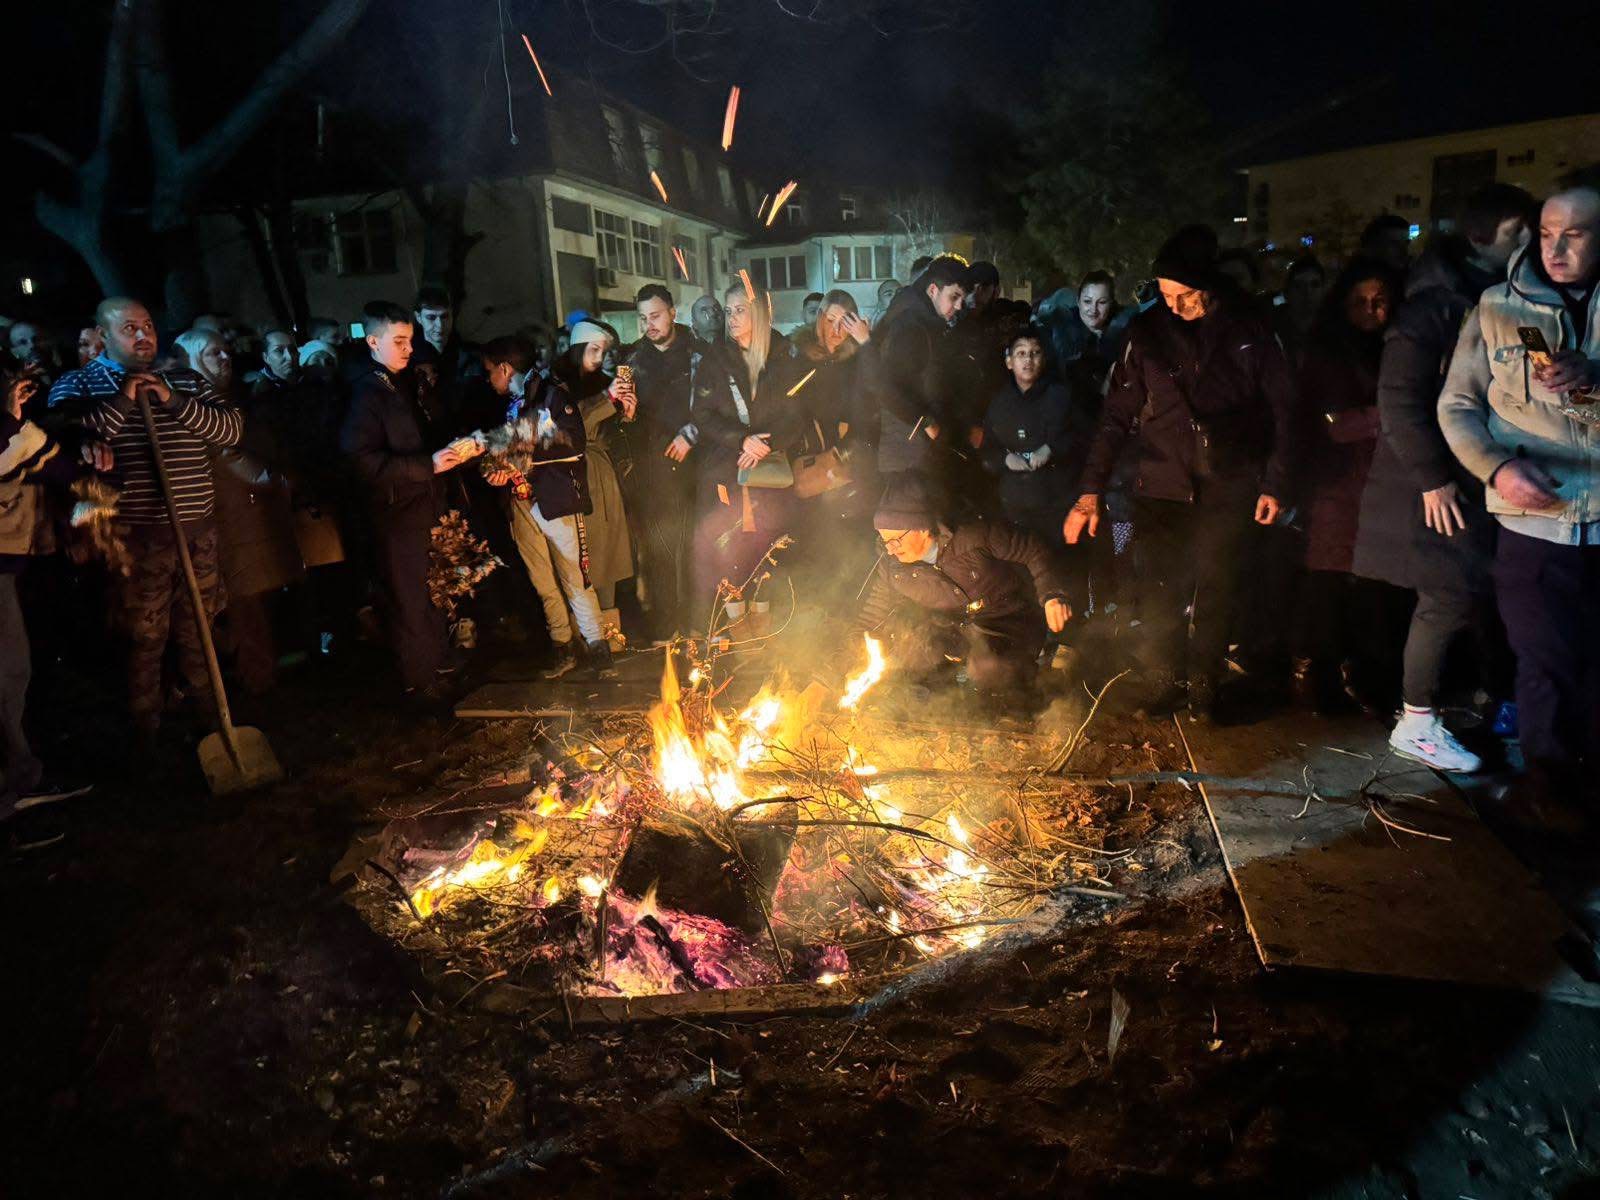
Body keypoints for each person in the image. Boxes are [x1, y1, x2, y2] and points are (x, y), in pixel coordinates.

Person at [1065, 227, 1300, 721]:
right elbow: (1115, 416)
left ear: (1208, 286)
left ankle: (1204, 689)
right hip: (1161, 483)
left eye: (1183, 294)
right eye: (1165, 294)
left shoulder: (1249, 327)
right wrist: (1090, 490)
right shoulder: (1147, 331)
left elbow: (1283, 409)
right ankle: (1164, 681)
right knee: (1159, 592)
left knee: (1216, 588)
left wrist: (1275, 482)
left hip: (1228, 481)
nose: (1172, 304)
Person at [1438, 184, 1600, 822]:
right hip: (1536, 524)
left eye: (1577, 234)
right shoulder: (1497, 309)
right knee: (1546, 661)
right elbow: (1456, 405)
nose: (1556, 248)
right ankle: (1551, 791)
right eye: (1548, 232)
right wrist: (1498, 469)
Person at [50, 298, 242, 737]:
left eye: (149, 326)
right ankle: (145, 732)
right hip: (135, 536)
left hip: (197, 529)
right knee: (144, 638)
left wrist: (171, 400)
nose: (143, 336)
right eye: (129, 328)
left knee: (200, 631)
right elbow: (72, 440)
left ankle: (212, 725)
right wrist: (126, 398)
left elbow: (230, 428)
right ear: (103, 336)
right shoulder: (80, 384)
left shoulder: (184, 379)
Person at [340, 302, 482, 700]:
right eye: (398, 341)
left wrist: (453, 449)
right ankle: (421, 682)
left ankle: (438, 665)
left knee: (434, 590)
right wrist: (427, 466)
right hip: (398, 513)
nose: (408, 349)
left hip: (426, 505)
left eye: (410, 340)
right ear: (372, 341)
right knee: (410, 597)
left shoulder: (404, 385)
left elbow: (420, 437)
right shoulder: (366, 395)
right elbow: (360, 460)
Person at [1293, 258, 1406, 714]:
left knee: (1377, 587)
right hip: (1336, 483)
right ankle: (1315, 674)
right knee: (1329, 583)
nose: (1370, 310)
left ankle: (1364, 675)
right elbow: (1328, 422)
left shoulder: (1398, 348)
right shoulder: (1327, 352)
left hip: (1387, 485)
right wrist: (1388, 416)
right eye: (1359, 301)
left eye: (1379, 301)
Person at [860, 473, 1070, 703]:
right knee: (911, 649)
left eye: (895, 540)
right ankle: (942, 706)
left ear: (921, 528)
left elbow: (1033, 549)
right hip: (953, 627)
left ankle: (1029, 680)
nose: (890, 550)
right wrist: (843, 664)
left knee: (989, 668)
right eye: (883, 540)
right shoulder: (894, 567)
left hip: (1006, 619)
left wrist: (1052, 595)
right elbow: (873, 614)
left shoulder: (973, 537)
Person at [175, 328, 305, 696]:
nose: (225, 359)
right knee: (244, 603)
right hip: (227, 515)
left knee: (261, 599)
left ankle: (272, 673)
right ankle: (256, 680)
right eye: (214, 353)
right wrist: (273, 478)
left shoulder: (233, 397)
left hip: (254, 513)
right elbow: (229, 456)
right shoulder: (195, 405)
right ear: (192, 360)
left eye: (226, 352)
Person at [478, 335, 615, 679]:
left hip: (555, 500)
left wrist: (521, 456)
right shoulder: (507, 403)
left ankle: (598, 647)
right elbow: (503, 449)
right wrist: (499, 470)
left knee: (574, 576)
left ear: (506, 368)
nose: (487, 378)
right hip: (521, 503)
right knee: (542, 580)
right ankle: (562, 646)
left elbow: (573, 442)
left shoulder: (551, 396)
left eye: (490, 371)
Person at [2, 363, 103, 814]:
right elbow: (42, 458)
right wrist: (98, 486)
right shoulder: (6, 432)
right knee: (9, 673)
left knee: (16, 669)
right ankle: (15, 788)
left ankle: (20, 778)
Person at [689, 280, 807, 627]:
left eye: (740, 310)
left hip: (769, 474)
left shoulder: (784, 356)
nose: (732, 318)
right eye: (728, 311)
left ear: (760, 313)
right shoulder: (717, 358)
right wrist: (742, 440)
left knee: (766, 551)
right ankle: (736, 629)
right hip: (728, 469)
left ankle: (763, 628)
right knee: (730, 549)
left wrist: (766, 445)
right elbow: (703, 413)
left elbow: (797, 415)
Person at [981, 326, 1093, 616]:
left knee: (1064, 570)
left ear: (1043, 359)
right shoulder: (998, 403)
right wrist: (1006, 460)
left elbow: (1084, 439)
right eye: (1020, 354)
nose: (1027, 360)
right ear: (1009, 362)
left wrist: (1051, 449)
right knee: (1025, 574)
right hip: (1018, 507)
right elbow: (987, 452)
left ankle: (1070, 640)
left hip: (1057, 501)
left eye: (1034, 353)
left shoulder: (1061, 396)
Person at [615, 285, 702, 641]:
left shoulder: (700, 354)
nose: (649, 325)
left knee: (695, 547)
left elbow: (717, 407)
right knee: (659, 551)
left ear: (673, 313)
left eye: (656, 316)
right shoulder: (632, 360)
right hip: (654, 471)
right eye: (643, 318)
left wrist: (693, 434)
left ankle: (697, 623)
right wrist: (628, 416)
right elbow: (622, 425)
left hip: (696, 467)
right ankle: (666, 626)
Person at [550, 321, 633, 640]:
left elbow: (609, 430)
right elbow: (571, 425)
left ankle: (610, 636)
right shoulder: (559, 386)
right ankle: (588, 636)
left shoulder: (602, 383)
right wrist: (606, 401)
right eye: (592, 350)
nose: (598, 358)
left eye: (603, 351)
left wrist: (627, 413)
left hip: (603, 475)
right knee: (584, 558)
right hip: (574, 477)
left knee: (608, 555)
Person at [858, 255, 971, 483]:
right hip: (909, 456)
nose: (959, 306)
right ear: (932, 290)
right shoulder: (912, 327)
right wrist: (927, 422)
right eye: (954, 297)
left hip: (919, 451)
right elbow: (886, 388)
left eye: (963, 298)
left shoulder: (929, 323)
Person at [1273, 256, 1327, 369]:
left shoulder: (1335, 330)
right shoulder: (1271, 330)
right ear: (1287, 292)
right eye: (1299, 286)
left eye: (1315, 285)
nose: (1307, 292)